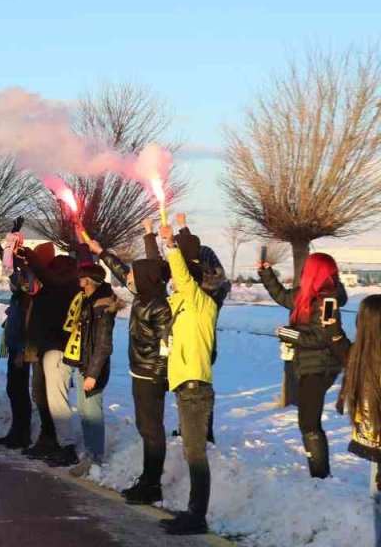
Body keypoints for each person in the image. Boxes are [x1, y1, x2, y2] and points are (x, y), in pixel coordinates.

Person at [89, 238, 174, 505]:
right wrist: (101, 252)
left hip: (151, 376)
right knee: (144, 427)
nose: (130, 278)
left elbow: (166, 346)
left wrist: (158, 377)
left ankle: (152, 483)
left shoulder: (159, 306)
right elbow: (120, 270)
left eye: (136, 275)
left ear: (147, 278)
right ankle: (147, 479)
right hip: (139, 372)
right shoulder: (142, 296)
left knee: (152, 429)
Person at [258, 251, 348, 478]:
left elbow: (321, 338)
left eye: (308, 268)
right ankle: (319, 476)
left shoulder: (328, 301)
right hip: (308, 364)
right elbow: (282, 296)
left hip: (322, 367)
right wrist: (266, 273)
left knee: (309, 423)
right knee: (307, 421)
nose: (303, 271)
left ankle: (320, 477)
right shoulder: (306, 295)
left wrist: (288, 333)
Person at [157, 218, 218, 536]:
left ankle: (198, 516)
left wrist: (172, 244)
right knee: (190, 451)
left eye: (179, 280)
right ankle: (193, 512)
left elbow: (181, 273)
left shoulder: (200, 303)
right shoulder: (180, 305)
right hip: (184, 387)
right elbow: (161, 280)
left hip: (196, 388)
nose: (173, 283)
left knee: (196, 453)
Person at [17, 242, 83, 466]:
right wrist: (20, 261)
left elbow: (48, 277)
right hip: (45, 348)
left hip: (57, 349)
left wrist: (31, 257)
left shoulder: (65, 285)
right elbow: (30, 284)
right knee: (42, 395)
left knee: (56, 401)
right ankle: (49, 439)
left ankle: (66, 446)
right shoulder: (51, 286)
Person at [60, 261, 119, 476]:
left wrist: (92, 374)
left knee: (92, 412)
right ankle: (90, 456)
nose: (78, 281)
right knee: (85, 411)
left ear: (87, 280)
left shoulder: (101, 306)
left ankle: (95, 458)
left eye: (81, 277)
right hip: (82, 363)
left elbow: (103, 345)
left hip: (92, 367)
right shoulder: (88, 301)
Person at [335, 294, 380, 546]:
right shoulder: (363, 358)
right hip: (376, 448)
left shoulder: (361, 356)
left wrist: (332, 330)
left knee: (377, 505)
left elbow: (343, 349)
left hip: (374, 446)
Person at [0, 257, 34, 448]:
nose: (10, 286)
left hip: (20, 351)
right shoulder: (17, 299)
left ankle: (22, 433)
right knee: (13, 390)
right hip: (13, 348)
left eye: (12, 282)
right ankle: (15, 430)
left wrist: (21, 351)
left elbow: (25, 327)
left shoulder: (25, 299)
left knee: (19, 391)